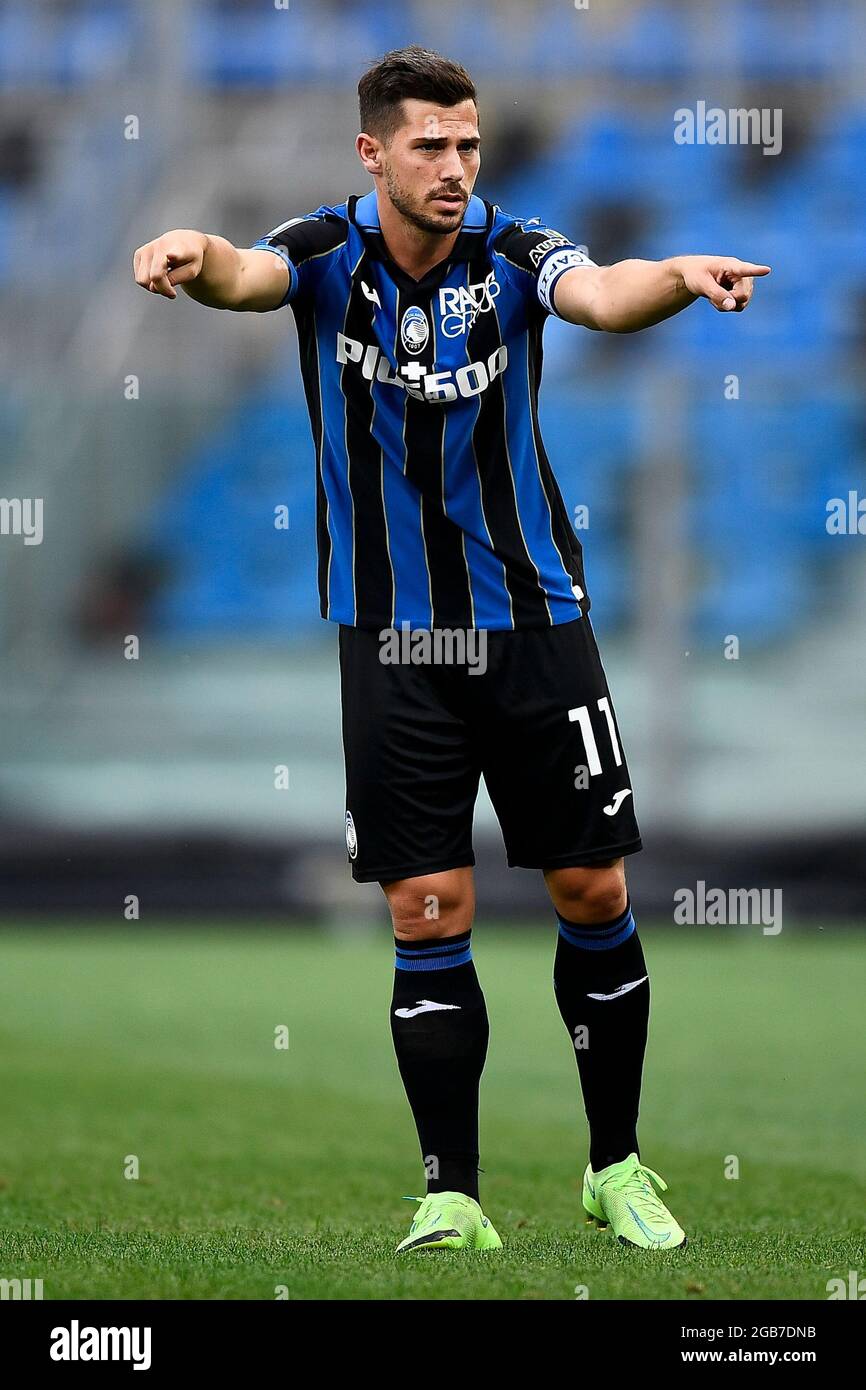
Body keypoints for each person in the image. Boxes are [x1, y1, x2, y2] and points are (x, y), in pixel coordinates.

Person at [133, 45, 769, 1254]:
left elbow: (598, 291)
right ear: (370, 153)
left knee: (591, 887)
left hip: (535, 621)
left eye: (467, 143)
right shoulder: (325, 252)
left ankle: (614, 1166)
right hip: (393, 639)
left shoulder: (514, 250)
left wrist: (677, 276)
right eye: (429, 144)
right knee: (427, 907)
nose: (454, 165)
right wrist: (189, 250)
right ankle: (450, 1192)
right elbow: (247, 274)